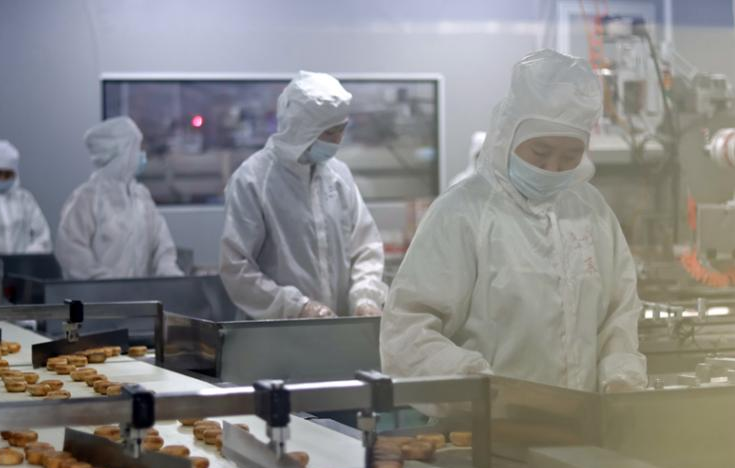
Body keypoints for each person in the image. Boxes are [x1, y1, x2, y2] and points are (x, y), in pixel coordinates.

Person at [380, 49, 647, 413]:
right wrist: (476, 385)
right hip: (483, 428)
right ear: (509, 135)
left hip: (580, 426)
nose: (553, 167)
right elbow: (408, 329)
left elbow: (619, 311)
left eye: (570, 156)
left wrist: (620, 375)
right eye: (540, 151)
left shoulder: (591, 211)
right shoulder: (463, 212)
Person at [219, 71, 387, 320]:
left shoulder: (339, 176)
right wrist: (298, 308)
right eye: (329, 133)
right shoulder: (253, 180)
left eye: (341, 129)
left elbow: (365, 246)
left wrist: (365, 298)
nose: (337, 140)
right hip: (276, 332)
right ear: (301, 129)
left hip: (339, 329)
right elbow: (236, 267)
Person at [55, 117, 183, 279]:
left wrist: (168, 270)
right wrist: (104, 283)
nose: (141, 155)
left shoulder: (141, 196)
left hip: (140, 294)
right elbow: (72, 252)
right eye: (136, 148)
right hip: (98, 295)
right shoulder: (86, 199)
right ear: (121, 153)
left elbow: (161, 242)